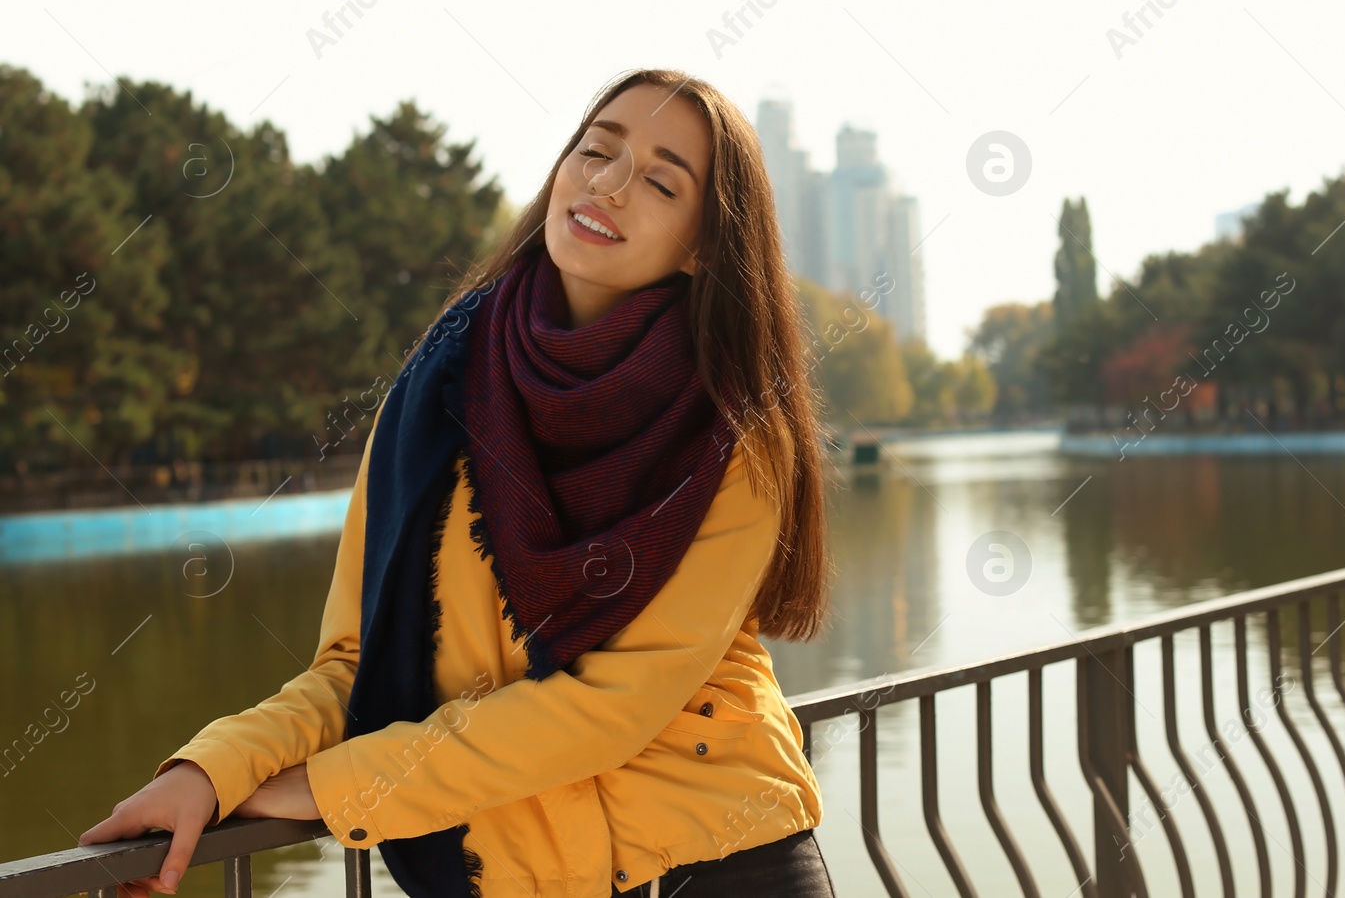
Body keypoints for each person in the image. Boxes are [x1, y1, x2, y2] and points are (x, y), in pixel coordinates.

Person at [78, 69, 839, 898]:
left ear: (704, 242)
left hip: (725, 861)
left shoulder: (735, 430)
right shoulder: (439, 390)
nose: (608, 184)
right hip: (523, 876)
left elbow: (611, 705)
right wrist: (214, 768)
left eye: (660, 180)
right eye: (595, 149)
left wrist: (336, 787)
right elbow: (358, 664)